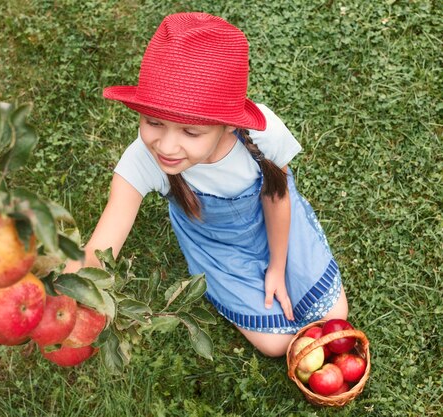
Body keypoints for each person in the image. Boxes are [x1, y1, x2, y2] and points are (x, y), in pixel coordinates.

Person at [64, 12, 348, 357]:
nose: (166, 147)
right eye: (153, 122)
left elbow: (277, 197)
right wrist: (66, 293)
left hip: (276, 223)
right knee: (277, 345)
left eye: (190, 131)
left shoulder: (263, 133)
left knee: (334, 315)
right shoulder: (142, 160)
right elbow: (100, 247)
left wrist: (277, 266)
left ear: (228, 125)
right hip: (217, 245)